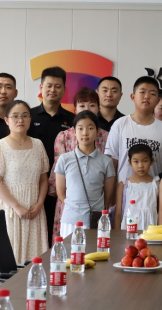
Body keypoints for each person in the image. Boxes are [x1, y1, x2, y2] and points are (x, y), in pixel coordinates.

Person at [0, 100, 49, 276]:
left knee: (33, 261)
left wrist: (40, 203)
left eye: (25, 116)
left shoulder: (38, 145)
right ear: (6, 120)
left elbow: (43, 179)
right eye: (15, 116)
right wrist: (17, 206)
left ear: (30, 119)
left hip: (34, 210)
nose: (20, 120)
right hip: (9, 210)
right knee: (7, 257)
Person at [48, 87, 112, 239]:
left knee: (96, 251)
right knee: (70, 251)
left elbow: (108, 195)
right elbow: (61, 191)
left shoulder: (106, 158)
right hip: (71, 216)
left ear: (96, 131)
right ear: (74, 131)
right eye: (80, 129)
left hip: (96, 217)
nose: (85, 133)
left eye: (90, 128)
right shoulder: (65, 155)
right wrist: (73, 206)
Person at [28, 66, 74, 245]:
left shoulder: (72, 119)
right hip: (34, 184)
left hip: (62, 187)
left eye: (57, 86)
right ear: (41, 88)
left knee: (58, 235)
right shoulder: (29, 116)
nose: (52, 90)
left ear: (64, 90)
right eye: (49, 86)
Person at [106, 76, 162, 183]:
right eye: (142, 92)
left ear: (157, 101)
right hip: (124, 191)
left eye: (152, 94)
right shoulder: (120, 124)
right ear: (133, 97)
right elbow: (111, 164)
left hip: (154, 191)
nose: (146, 97)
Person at [116, 144, 160, 231]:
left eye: (145, 161)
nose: (140, 166)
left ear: (151, 161)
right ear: (130, 162)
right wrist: (117, 234)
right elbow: (118, 214)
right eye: (136, 161)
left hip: (151, 232)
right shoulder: (124, 184)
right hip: (128, 231)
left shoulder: (156, 184)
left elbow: (160, 211)